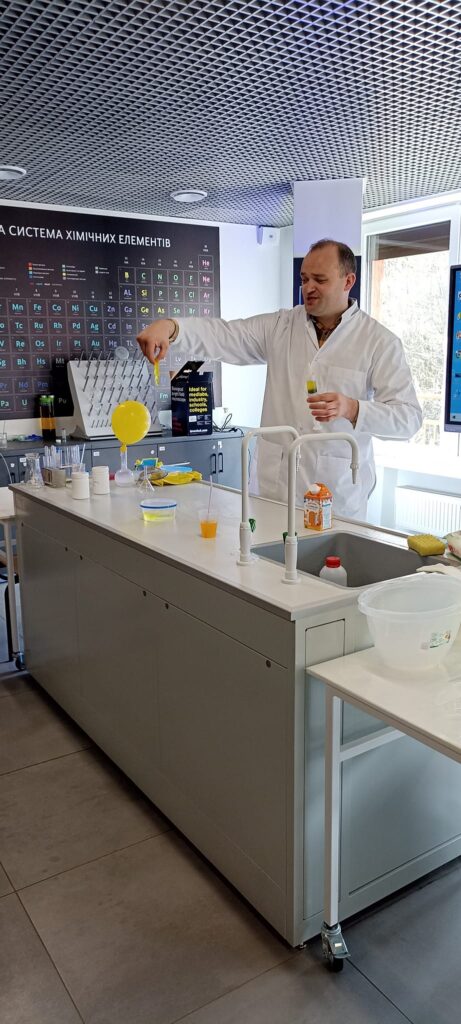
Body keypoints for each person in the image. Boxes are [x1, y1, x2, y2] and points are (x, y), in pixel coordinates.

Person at [137, 239, 422, 519]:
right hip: (274, 493)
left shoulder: (379, 342)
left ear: (348, 281)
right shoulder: (281, 326)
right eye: (304, 279)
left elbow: (408, 419)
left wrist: (353, 408)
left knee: (328, 552)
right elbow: (224, 335)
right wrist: (172, 328)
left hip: (336, 499)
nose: (308, 288)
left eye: (320, 280)